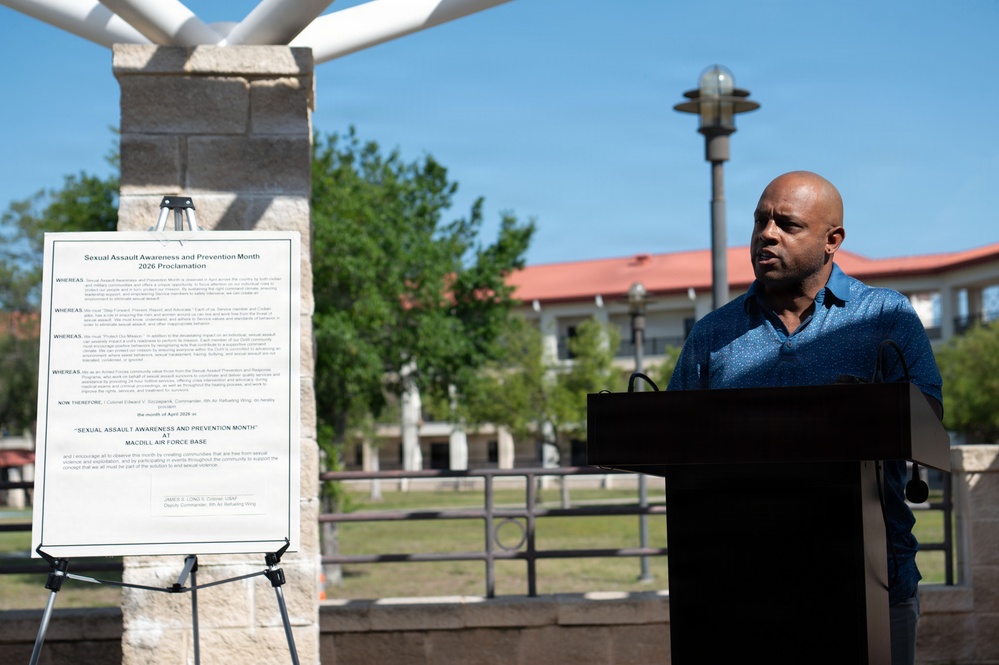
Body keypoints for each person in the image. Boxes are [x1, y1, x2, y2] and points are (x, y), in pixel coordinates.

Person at [666, 170, 942, 665]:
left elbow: (930, 416)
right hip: (741, 590)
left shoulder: (886, 316)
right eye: (760, 221)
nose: (766, 235)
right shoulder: (712, 333)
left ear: (832, 240)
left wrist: (870, 408)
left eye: (787, 224)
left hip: (872, 581)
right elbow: (669, 440)